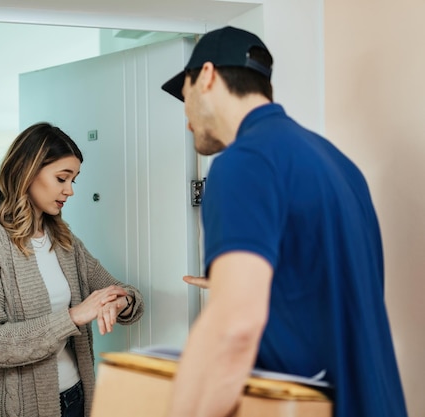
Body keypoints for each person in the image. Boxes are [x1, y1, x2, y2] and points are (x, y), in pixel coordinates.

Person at [161, 26, 408, 417]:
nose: (187, 118)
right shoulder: (338, 164)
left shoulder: (242, 163)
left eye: (185, 94)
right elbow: (330, 287)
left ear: (206, 75)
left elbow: (235, 326)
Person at [0, 122, 144, 417]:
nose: (69, 191)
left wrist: (121, 302)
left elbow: (125, 293)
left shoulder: (63, 240)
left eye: (74, 180)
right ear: (27, 171)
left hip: (76, 398)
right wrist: (74, 316)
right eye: (61, 178)